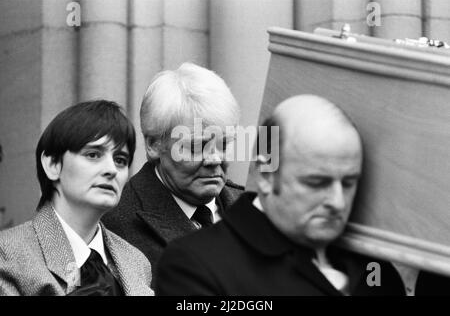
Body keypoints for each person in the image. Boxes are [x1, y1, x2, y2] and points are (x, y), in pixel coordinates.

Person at [155, 95, 406, 296]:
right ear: (266, 175)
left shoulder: (375, 270)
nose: (338, 202)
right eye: (317, 183)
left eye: (349, 183)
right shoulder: (195, 265)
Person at [102, 63, 244, 281]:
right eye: (197, 146)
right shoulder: (112, 227)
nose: (215, 159)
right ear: (154, 145)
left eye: (224, 144)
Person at [0, 100, 153, 296]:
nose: (111, 170)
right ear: (53, 164)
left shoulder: (136, 261)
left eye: (120, 160)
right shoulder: (8, 255)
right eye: (93, 154)